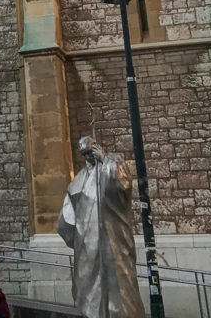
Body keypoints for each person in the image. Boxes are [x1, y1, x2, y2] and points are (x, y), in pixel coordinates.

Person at [57, 136, 145, 318]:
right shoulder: (78, 180)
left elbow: (122, 184)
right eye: (84, 154)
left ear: (97, 147)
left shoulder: (112, 164)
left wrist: (105, 159)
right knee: (89, 289)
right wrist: (76, 236)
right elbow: (66, 218)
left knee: (118, 286)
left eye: (90, 152)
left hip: (112, 240)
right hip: (88, 247)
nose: (88, 156)